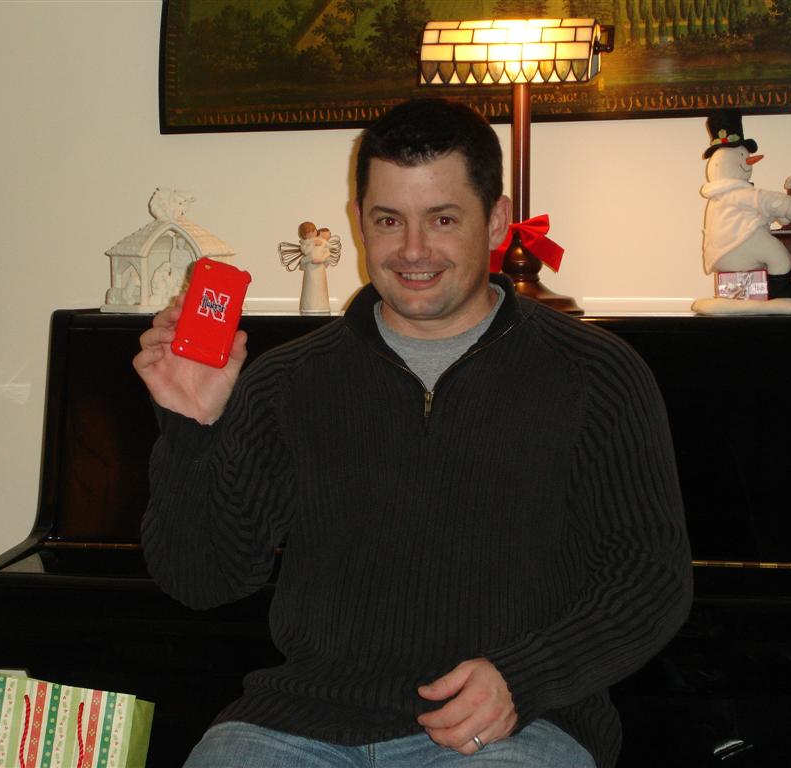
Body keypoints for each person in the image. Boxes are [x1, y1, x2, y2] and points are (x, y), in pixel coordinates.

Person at [136, 98, 692, 768]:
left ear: (496, 221)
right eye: (389, 220)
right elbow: (203, 580)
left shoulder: (595, 374)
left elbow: (650, 578)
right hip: (302, 725)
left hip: (514, 728)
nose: (413, 250)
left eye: (443, 219)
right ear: (359, 222)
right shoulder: (287, 381)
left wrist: (525, 676)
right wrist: (193, 428)